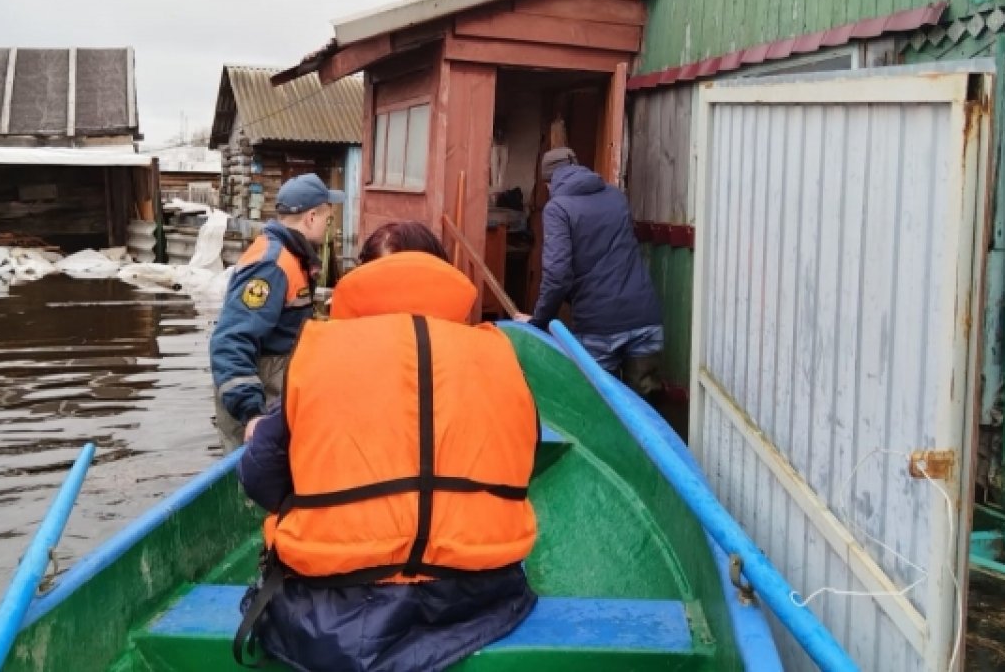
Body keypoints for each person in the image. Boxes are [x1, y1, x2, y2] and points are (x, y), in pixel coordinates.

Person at [235, 224, 539, 672]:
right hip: (478, 595)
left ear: (361, 280)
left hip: (332, 607)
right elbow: (522, 463)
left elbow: (261, 478)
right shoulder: (496, 352)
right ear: (441, 273)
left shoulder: (319, 352)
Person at [209, 173, 343, 451]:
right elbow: (229, 341)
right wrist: (252, 412)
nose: (331, 227)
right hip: (254, 400)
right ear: (311, 217)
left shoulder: (293, 257)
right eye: (328, 220)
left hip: (273, 389)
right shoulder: (272, 265)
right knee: (250, 483)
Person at [523, 147, 664, 396]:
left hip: (599, 327)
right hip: (645, 318)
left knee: (598, 406)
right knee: (644, 412)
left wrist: (538, 322)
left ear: (548, 183)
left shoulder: (558, 209)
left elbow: (557, 275)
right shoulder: (616, 196)